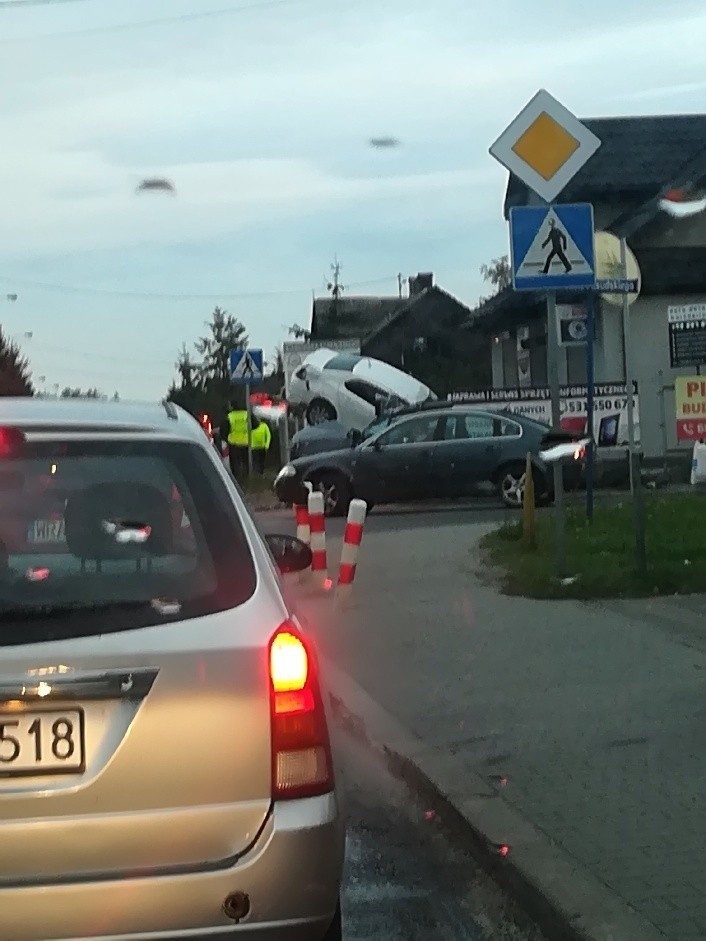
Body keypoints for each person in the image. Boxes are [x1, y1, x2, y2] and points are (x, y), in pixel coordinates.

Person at [221, 397, 249, 481]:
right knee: (245, 462)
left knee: (235, 464)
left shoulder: (230, 416)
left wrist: (224, 438)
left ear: (232, 407)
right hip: (245, 442)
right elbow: (254, 425)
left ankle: (236, 480)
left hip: (234, 443)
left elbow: (225, 429)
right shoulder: (246, 414)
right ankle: (247, 478)